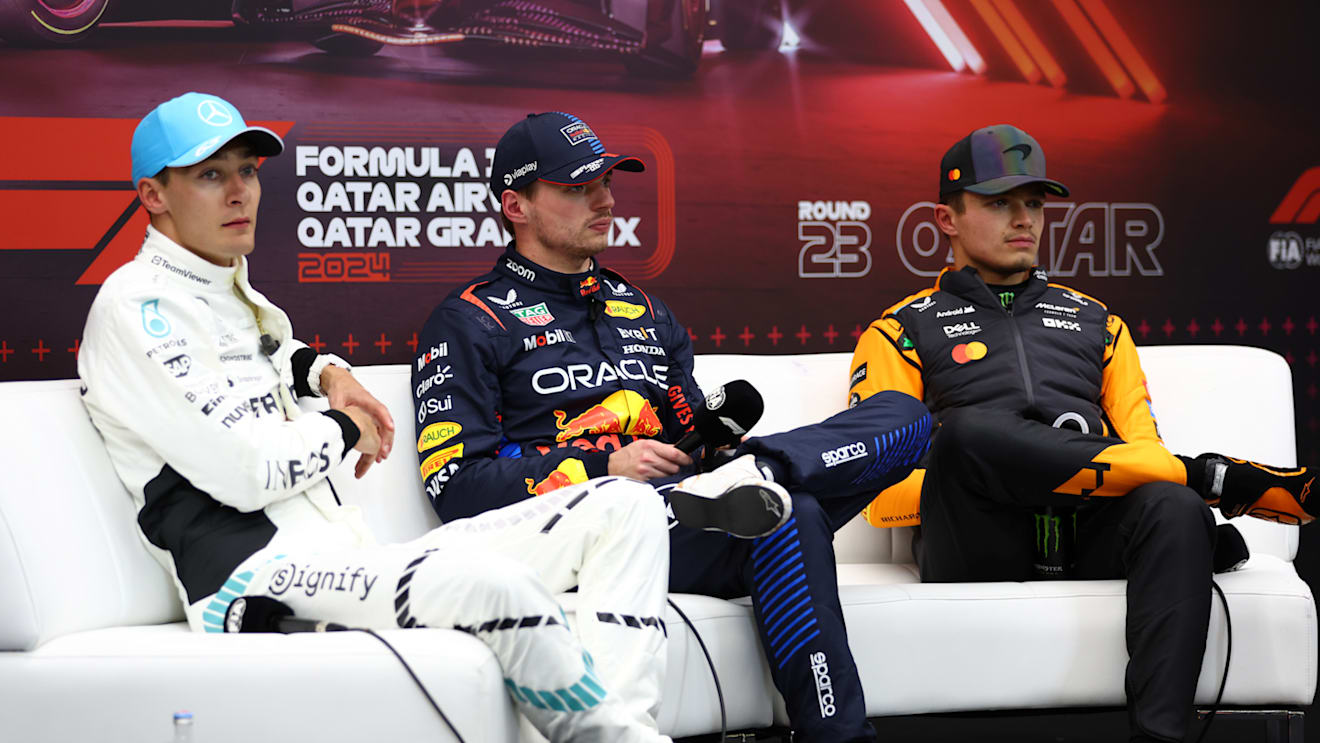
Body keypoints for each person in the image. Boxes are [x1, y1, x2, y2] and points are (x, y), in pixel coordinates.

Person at [78, 92, 682, 743]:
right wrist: (344, 427)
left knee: (628, 505)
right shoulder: (135, 307)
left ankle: (628, 730)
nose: (239, 193)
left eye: (247, 171)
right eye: (210, 175)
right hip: (253, 582)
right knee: (498, 586)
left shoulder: (230, 290)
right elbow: (249, 470)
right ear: (153, 195)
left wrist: (331, 373)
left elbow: (280, 354)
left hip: (348, 557)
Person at [414, 111, 934, 742]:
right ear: (516, 205)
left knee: (905, 421)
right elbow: (458, 488)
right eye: (578, 189)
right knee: (786, 513)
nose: (604, 201)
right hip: (590, 532)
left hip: (690, 510)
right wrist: (606, 467)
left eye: (605, 183)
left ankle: (763, 467)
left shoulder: (643, 308)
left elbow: (690, 435)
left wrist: (718, 447)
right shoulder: (470, 321)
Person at [848, 124, 1316, 743]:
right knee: (963, 434)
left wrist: (1073, 482)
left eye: (1035, 204)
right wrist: (1012, 474)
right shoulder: (899, 330)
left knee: (1174, 508)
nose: (1025, 220)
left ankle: (1162, 735)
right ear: (947, 218)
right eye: (999, 203)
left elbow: (1143, 455)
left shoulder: (1098, 323)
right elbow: (882, 497)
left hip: (1090, 531)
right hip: (974, 537)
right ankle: (1215, 479)